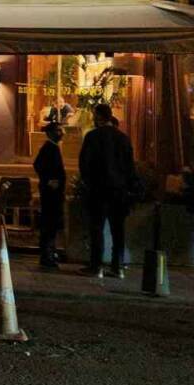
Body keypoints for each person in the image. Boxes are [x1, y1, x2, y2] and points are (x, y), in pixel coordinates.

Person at [78, 103, 138, 279]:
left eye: (94, 115)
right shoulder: (123, 138)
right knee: (118, 230)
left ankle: (96, 266)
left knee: (97, 228)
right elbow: (130, 167)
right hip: (118, 191)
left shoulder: (92, 137)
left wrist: (88, 182)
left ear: (98, 116)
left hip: (98, 190)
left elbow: (84, 163)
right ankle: (117, 267)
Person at [32, 121, 66, 270]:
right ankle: (47, 254)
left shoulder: (53, 147)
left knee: (52, 223)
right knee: (49, 223)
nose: (62, 133)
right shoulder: (49, 147)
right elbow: (38, 165)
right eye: (59, 130)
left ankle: (50, 252)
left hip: (54, 192)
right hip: (50, 193)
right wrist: (49, 180)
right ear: (51, 133)